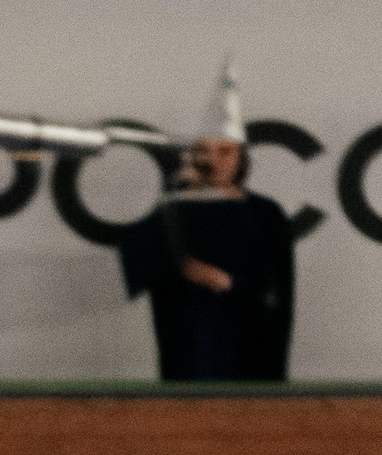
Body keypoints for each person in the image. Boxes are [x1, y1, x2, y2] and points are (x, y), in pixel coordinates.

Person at [115, 67, 295, 382]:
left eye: (226, 152)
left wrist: (230, 284)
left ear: (241, 158)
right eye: (207, 153)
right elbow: (134, 269)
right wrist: (180, 192)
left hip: (250, 352)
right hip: (188, 353)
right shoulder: (170, 213)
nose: (216, 162)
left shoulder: (265, 214)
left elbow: (279, 291)